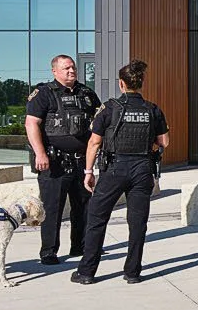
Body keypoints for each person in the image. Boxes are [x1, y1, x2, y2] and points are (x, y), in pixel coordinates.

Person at [71, 60, 168, 285]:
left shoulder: (109, 108)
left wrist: (88, 171)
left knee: (96, 218)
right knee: (137, 223)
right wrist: (148, 147)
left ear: (121, 84)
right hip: (143, 169)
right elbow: (165, 141)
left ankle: (86, 272)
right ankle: (133, 272)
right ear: (141, 83)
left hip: (114, 168)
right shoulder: (152, 109)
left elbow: (94, 143)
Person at [24, 54, 101, 265]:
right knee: (52, 209)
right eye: (66, 68)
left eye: (73, 67)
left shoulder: (86, 93)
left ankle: (81, 246)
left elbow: (99, 123)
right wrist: (40, 153)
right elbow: (31, 124)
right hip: (53, 162)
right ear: (54, 71)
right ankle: (49, 251)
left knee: (83, 206)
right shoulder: (44, 93)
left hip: (80, 162)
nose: (71, 71)